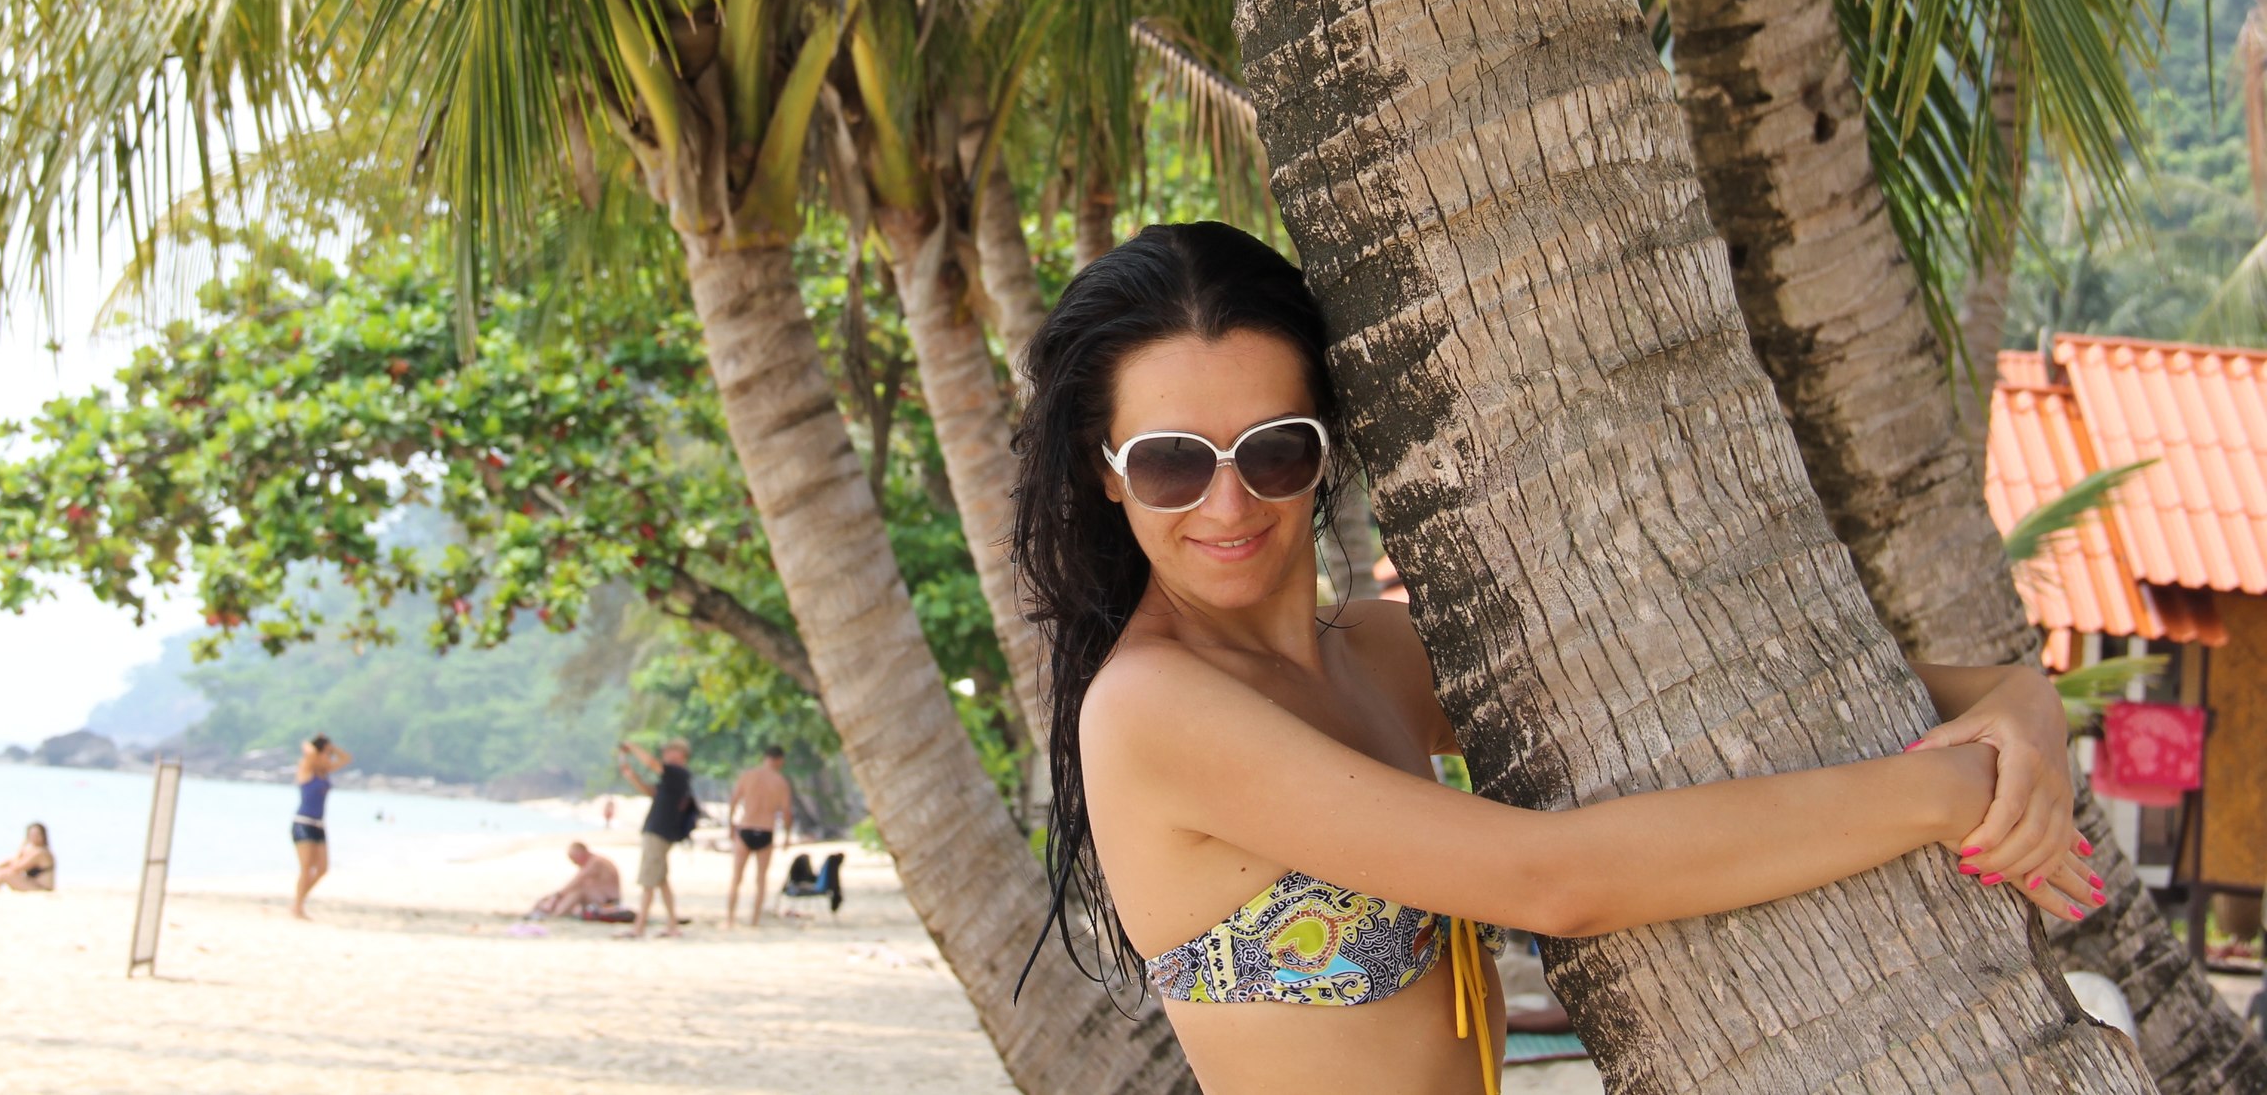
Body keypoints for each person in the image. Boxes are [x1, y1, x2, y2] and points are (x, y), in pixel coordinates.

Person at [1008, 222, 2099, 1095]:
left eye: (1274, 449)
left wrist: (2018, 703)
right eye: (1171, 463)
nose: (1228, 502)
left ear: (1327, 447)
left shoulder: (1376, 652)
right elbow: (1554, 881)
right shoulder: (1153, 709)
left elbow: (1714, 689)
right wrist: (1941, 793)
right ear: (1104, 471)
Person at [616, 738, 697, 938]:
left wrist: (633, 746)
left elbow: (652, 763)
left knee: (648, 881)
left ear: (680, 754)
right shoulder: (674, 778)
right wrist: (632, 777)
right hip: (661, 831)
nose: (665, 755)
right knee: (661, 880)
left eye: (669, 751)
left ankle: (639, 927)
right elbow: (652, 792)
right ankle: (672, 925)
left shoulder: (678, 773)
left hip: (659, 831)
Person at [724, 743, 796, 928]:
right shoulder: (780, 782)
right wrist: (787, 835)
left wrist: (730, 826)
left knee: (736, 877)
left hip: (746, 827)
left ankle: (730, 919)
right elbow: (787, 812)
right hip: (766, 830)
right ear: (780, 760)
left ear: (765, 758)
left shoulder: (748, 776)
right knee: (761, 879)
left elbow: (733, 801)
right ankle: (754, 921)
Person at [291, 733, 352, 920]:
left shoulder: (325, 772)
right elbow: (308, 750)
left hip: (319, 825)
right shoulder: (306, 768)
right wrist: (316, 747)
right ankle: (298, 907)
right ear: (318, 753)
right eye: (326, 753)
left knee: (322, 868)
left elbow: (347, 758)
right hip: (303, 822)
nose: (329, 757)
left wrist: (331, 749)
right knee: (307, 868)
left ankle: (298, 902)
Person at [530, 842, 624, 919]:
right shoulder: (593, 862)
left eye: (573, 859)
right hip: (599, 897)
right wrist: (554, 896)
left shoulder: (596, 862)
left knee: (579, 890)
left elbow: (577, 880)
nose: (574, 863)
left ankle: (557, 913)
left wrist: (557, 896)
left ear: (582, 853)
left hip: (609, 902)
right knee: (567, 892)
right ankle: (545, 910)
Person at [0, 822, 55, 893]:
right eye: (31, 834)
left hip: (42, 889)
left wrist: (22, 847)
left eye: (37, 834)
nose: (34, 837)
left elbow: (16, 867)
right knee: (5, 867)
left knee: (4, 874)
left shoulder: (41, 852)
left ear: (43, 836)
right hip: (34, 885)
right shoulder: (32, 851)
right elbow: (11, 861)